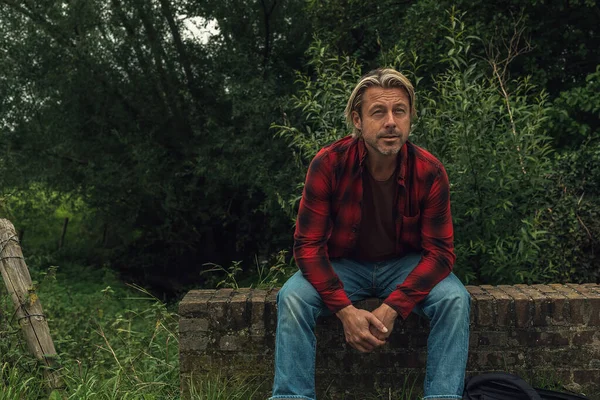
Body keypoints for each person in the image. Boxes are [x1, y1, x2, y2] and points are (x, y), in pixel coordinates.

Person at [270, 68, 470, 400]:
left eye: (399, 111)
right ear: (358, 120)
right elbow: (307, 247)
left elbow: (441, 254)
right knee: (291, 297)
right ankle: (291, 397)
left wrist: (393, 307)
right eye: (378, 112)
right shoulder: (329, 164)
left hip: (403, 264)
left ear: (410, 118)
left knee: (454, 299)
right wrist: (345, 311)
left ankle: (443, 397)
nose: (391, 121)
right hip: (343, 264)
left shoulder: (430, 172)